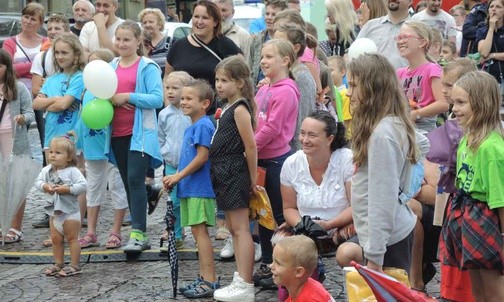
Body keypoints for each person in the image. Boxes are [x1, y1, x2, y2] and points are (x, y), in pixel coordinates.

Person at [335, 53, 418, 274]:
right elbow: (422, 143)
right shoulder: (390, 125)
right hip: (385, 237)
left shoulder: (382, 135)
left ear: (373, 88)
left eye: (353, 85)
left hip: (387, 241)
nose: (348, 92)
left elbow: (382, 198)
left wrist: (374, 255)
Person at [439, 70, 504, 301]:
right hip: (466, 214)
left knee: (494, 287)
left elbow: (500, 198)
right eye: (453, 102)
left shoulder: (491, 148)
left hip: (486, 218)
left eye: (461, 102)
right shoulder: (467, 139)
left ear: (482, 104)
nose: (454, 108)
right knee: (475, 283)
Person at [107, 21, 163, 253]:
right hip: (116, 133)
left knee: (133, 180)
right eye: (118, 39)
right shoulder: (110, 66)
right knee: (131, 184)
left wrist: (127, 97)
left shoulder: (147, 67)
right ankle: (147, 199)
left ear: (138, 40)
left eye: (127, 39)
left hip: (140, 133)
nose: (121, 43)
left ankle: (138, 233)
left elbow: (157, 99)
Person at [163, 80, 220, 298]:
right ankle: (204, 276)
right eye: (183, 98)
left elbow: (202, 157)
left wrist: (178, 176)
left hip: (200, 188)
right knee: (197, 233)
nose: (183, 102)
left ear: (205, 103)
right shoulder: (193, 126)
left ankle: (210, 279)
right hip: (189, 188)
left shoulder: (203, 125)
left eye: (189, 99)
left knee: (200, 233)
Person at [253, 39, 300, 289]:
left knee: (280, 215)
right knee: (263, 215)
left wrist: (249, 148)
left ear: (285, 61)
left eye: (270, 57)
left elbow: (272, 128)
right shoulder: (264, 88)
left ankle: (288, 265)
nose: (263, 61)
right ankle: (269, 263)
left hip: (275, 160)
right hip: (260, 159)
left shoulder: (286, 91)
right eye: (262, 56)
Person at [429, 58, 477, 302]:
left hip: (462, 198)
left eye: (450, 85)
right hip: (450, 196)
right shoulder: (450, 118)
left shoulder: (470, 128)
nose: (444, 90)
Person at [210, 55, 257, 301]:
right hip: (223, 170)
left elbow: (250, 146)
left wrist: (251, 179)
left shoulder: (239, 109)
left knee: (240, 230)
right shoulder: (228, 107)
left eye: (225, 80)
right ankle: (240, 277)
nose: (219, 85)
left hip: (233, 170)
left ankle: (245, 283)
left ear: (239, 83)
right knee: (232, 228)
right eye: (217, 80)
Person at [77, 48, 128, 250]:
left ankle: (116, 231)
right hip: (91, 147)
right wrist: (77, 143)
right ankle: (91, 231)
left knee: (116, 186)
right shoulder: (87, 91)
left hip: (111, 148)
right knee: (93, 188)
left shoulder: (112, 90)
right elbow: (82, 119)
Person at [2, 2, 49, 172]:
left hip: (41, 95)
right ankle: (17, 171)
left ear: (40, 22)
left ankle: (48, 170)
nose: (28, 21)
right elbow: (8, 69)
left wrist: (23, 68)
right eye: (26, 17)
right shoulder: (10, 42)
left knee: (46, 138)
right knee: (17, 137)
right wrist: (35, 66)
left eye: (33, 18)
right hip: (18, 97)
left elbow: (49, 68)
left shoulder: (46, 42)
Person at [35, 132, 87, 277]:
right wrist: (45, 186)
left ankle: (75, 265)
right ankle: (58, 263)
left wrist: (68, 189)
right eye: (51, 152)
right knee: (56, 239)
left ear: (69, 157)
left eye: (57, 153)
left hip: (70, 212)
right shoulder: (47, 170)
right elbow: (38, 182)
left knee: (72, 239)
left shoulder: (73, 171)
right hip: (54, 213)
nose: (52, 155)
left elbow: (83, 185)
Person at [166, 0, 242, 92]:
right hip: (183, 105)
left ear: (215, 22)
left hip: (217, 105)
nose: (199, 21)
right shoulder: (178, 46)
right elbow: (167, 78)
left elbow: (242, 78)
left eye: (205, 18)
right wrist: (169, 104)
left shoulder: (226, 45)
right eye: (196, 17)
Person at [0, 49, 34, 243]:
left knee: (17, 185)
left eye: (1, 66)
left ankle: (15, 227)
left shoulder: (18, 88)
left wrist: (22, 118)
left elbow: (30, 112)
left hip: (14, 142)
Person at [157, 71, 193, 251]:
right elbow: (161, 136)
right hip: (171, 165)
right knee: (174, 201)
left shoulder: (191, 114)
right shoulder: (164, 114)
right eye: (167, 88)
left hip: (190, 166)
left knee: (191, 200)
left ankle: (194, 232)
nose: (170, 92)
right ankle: (176, 235)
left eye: (175, 88)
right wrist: (165, 152)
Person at [396, 20, 449, 134]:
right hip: (403, 128)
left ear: (422, 42)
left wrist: (416, 114)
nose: (400, 41)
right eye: (399, 37)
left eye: (405, 37)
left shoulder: (432, 69)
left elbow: (443, 104)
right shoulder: (399, 73)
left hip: (425, 130)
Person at [273, 23, 317, 151]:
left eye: (279, 43)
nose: (273, 47)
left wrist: (299, 154)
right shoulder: (283, 73)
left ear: (296, 47)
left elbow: (303, 117)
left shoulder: (301, 76)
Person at [270, 235, 335, 302]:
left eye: (278, 263)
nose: (271, 266)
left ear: (298, 272)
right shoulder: (298, 289)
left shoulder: (311, 298)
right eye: (273, 261)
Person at [357, 0, 411, 69]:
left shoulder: (418, 29)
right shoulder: (370, 26)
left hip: (404, 79)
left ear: (410, 1)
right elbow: (355, 54)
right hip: (372, 78)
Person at [249, 0, 289, 87]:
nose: (269, 18)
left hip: (278, 87)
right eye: (267, 14)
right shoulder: (257, 38)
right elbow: (251, 67)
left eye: (274, 14)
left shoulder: (287, 40)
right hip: (257, 89)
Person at [31, 14, 71, 98]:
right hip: (49, 108)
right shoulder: (41, 57)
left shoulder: (76, 55)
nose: (52, 32)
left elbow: (76, 86)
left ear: (67, 32)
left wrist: (49, 83)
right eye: (49, 29)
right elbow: (35, 89)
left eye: (57, 28)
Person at [476, 0, 504, 90]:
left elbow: (488, 55)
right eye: (491, 7)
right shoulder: (482, 30)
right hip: (488, 79)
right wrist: (491, 28)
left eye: (498, 7)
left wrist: (492, 55)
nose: (494, 9)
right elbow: (484, 52)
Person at [139, 8, 170, 77]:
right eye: (144, 22)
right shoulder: (139, 43)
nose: (147, 25)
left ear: (160, 24)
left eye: (151, 22)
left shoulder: (170, 42)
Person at [327, 55, 351, 139]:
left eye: (331, 70)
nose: (328, 74)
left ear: (342, 72)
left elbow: (346, 121)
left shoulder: (345, 94)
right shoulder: (331, 93)